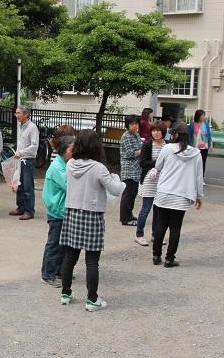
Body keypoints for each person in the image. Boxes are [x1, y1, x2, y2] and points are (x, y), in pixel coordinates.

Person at [59, 130, 124, 311]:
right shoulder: (98, 168)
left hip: (72, 212)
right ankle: (92, 299)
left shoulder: (70, 164)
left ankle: (65, 294)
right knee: (92, 261)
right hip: (92, 214)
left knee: (70, 257)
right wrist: (120, 182)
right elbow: (115, 190)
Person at [152, 122, 204, 267]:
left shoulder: (167, 148)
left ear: (174, 135)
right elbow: (199, 177)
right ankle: (169, 259)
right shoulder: (196, 153)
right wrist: (199, 196)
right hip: (181, 196)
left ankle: (156, 256)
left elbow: (158, 166)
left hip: (164, 193)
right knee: (175, 228)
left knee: (161, 225)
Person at [40, 135, 75, 288]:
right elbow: (69, 186)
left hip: (62, 210)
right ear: (63, 150)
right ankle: (48, 274)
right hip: (57, 211)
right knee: (54, 244)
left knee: (63, 244)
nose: (74, 152)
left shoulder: (65, 164)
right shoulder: (57, 167)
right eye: (71, 150)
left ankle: (60, 271)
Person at [134, 122, 166, 246]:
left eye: (158, 130)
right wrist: (156, 163)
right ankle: (139, 234)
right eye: (153, 130)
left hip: (162, 180)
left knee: (159, 210)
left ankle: (156, 234)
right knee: (146, 208)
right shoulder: (147, 144)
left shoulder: (167, 145)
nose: (156, 133)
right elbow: (142, 162)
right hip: (149, 179)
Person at [9, 105, 38, 220]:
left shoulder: (32, 127)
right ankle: (20, 207)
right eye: (16, 113)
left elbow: (34, 146)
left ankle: (29, 211)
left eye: (18, 113)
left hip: (28, 160)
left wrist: (21, 152)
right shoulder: (21, 126)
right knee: (19, 185)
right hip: (20, 159)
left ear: (26, 114)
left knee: (28, 186)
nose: (16, 115)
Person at [119, 114, 142, 226]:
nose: (135, 126)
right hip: (129, 169)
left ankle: (129, 214)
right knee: (128, 194)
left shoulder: (136, 135)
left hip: (136, 169)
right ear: (127, 125)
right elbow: (129, 153)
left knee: (133, 193)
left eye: (136, 123)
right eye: (132, 124)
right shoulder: (127, 136)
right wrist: (142, 151)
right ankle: (125, 218)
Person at [189, 109, 213, 179]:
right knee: (194, 162)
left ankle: (201, 178)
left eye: (204, 115)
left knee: (203, 162)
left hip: (204, 146)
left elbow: (209, 135)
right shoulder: (192, 124)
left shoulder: (206, 124)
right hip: (194, 146)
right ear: (198, 116)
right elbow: (189, 135)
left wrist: (211, 144)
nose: (203, 117)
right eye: (202, 115)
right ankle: (193, 177)